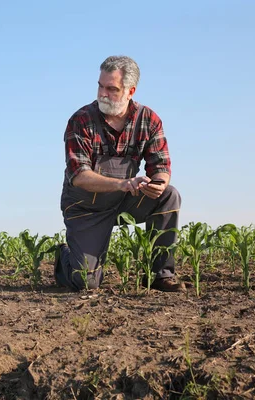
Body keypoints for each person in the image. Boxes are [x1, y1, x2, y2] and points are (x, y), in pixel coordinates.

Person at [54, 55, 185, 292]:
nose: (103, 93)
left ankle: (160, 274)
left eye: (112, 89)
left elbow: (161, 166)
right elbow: (80, 175)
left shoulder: (148, 120)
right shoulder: (81, 121)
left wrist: (157, 183)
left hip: (125, 201)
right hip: (86, 209)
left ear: (130, 91)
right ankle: (65, 258)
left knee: (169, 195)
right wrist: (122, 184)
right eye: (100, 86)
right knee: (86, 281)